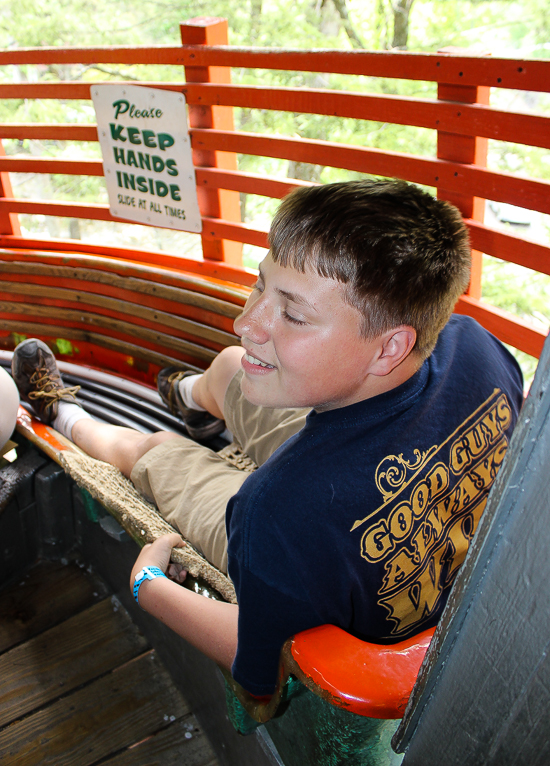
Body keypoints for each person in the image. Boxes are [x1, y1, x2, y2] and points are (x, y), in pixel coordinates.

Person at [11, 179, 524, 697]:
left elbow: (260, 665)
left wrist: (149, 587)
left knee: (158, 451)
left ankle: (64, 415)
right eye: (261, 286)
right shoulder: (480, 348)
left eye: (294, 315)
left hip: (311, 531)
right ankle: (194, 400)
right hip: (372, 451)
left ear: (390, 347)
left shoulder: (272, 514)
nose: (244, 320)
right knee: (236, 368)